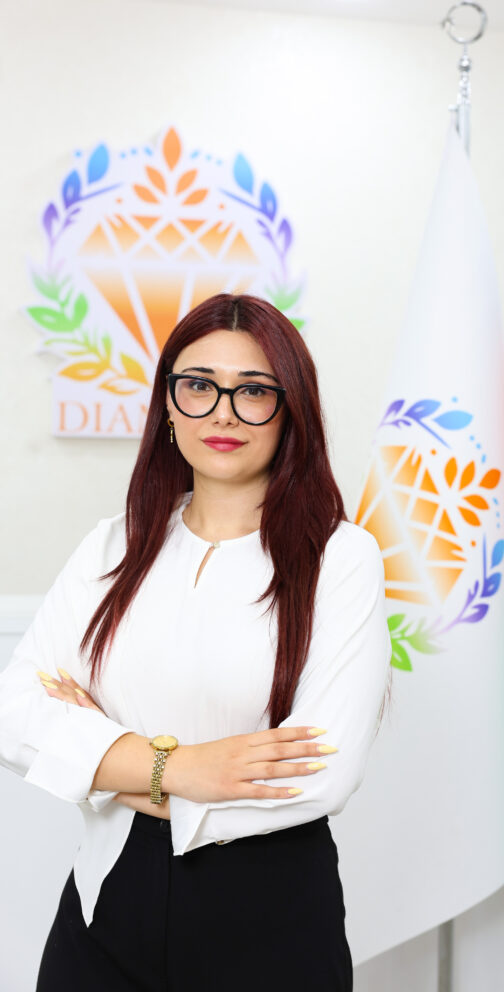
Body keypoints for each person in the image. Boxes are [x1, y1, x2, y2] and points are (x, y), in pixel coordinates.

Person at [0, 293, 391, 991]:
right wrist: (180, 767)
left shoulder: (341, 558)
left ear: (291, 410)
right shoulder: (114, 544)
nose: (223, 412)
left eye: (254, 392)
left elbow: (318, 773)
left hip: (271, 916)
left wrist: (103, 765)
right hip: (104, 906)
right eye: (199, 386)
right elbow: (14, 714)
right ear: (169, 406)